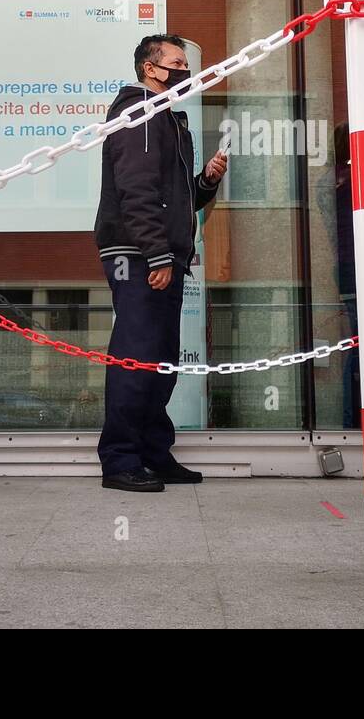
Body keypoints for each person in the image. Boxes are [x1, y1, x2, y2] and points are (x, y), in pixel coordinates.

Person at [93, 34, 228, 492]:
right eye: (175, 62)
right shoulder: (141, 115)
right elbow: (136, 192)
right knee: (137, 357)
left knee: (160, 359)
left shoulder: (168, 120)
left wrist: (205, 183)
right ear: (151, 69)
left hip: (158, 254)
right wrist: (156, 255)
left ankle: (152, 452)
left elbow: (171, 197)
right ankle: (120, 461)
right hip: (138, 255)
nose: (184, 70)